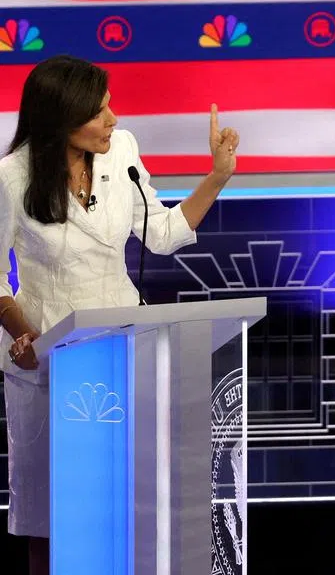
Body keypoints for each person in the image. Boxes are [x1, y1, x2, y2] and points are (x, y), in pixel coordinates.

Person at [0, 55, 240, 575]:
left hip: (122, 353)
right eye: (99, 111)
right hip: (48, 365)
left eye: (109, 106)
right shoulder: (11, 177)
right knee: (53, 520)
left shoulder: (121, 151)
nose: (113, 119)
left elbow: (164, 233)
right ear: (60, 120)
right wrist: (24, 336)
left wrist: (217, 177)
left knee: (127, 508)